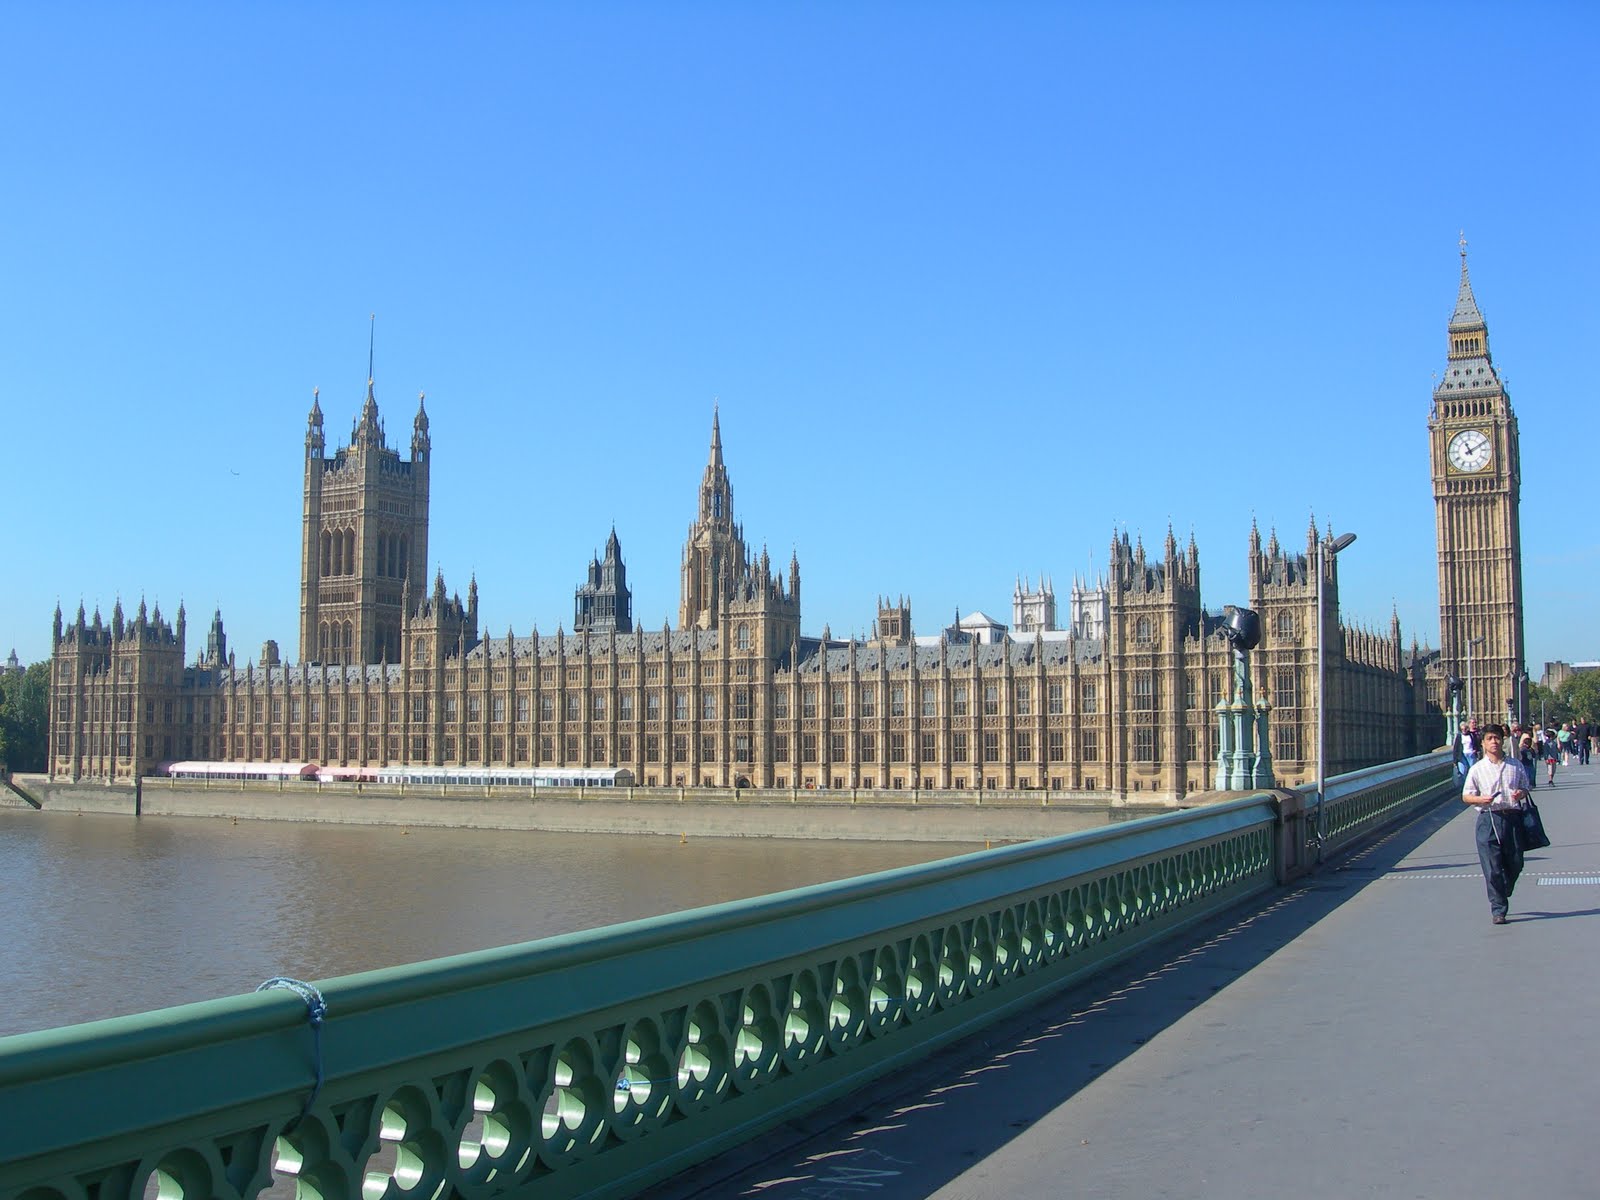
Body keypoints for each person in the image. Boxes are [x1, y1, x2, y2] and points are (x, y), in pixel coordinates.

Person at [1461, 724, 1533, 924]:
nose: (1494, 742)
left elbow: (1526, 787)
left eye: (1497, 738)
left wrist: (1521, 793)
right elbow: (1466, 796)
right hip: (1488, 818)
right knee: (1492, 868)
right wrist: (1480, 799)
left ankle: (1505, 887)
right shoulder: (1477, 769)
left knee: (1516, 862)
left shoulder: (1515, 765)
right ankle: (1498, 909)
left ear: (1502, 740)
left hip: (1512, 817)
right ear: (1483, 743)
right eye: (1490, 738)